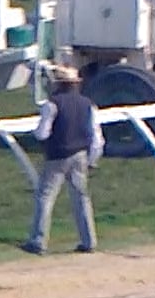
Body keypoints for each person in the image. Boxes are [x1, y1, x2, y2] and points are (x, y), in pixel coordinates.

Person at [21, 63, 103, 255]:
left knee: (45, 197)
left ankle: (38, 241)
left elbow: (42, 133)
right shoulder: (88, 104)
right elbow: (97, 137)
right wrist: (93, 159)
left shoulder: (51, 104)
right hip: (80, 155)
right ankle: (89, 241)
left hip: (57, 156)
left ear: (58, 83)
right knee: (81, 198)